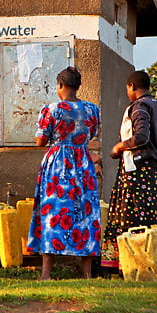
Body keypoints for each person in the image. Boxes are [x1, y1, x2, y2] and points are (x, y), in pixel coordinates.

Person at [26, 67, 101, 280]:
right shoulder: (92, 110)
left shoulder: (52, 109)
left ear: (60, 85)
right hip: (83, 165)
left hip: (57, 165)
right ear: (77, 86)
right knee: (86, 214)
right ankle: (86, 274)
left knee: (53, 212)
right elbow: (90, 133)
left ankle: (46, 274)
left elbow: (41, 140)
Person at [101, 70, 157, 271]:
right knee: (154, 221)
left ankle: (132, 266)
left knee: (131, 218)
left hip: (138, 173)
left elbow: (141, 137)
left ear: (132, 86)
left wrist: (119, 146)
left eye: (127, 88)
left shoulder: (139, 106)